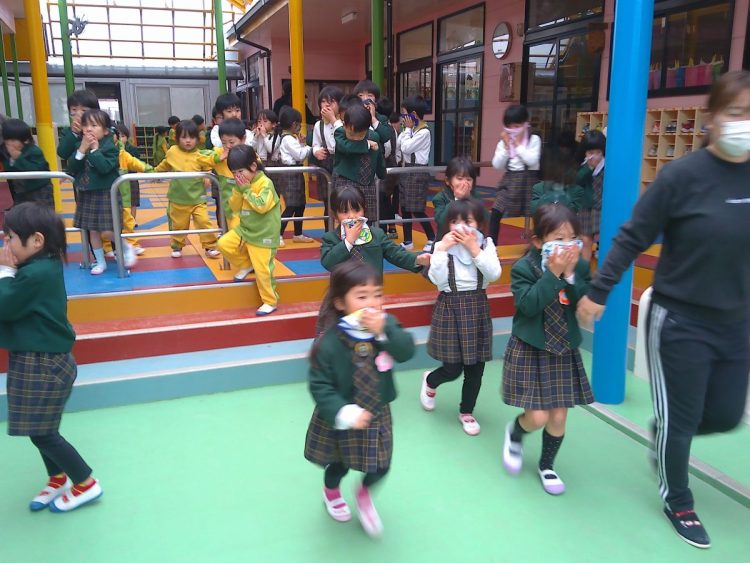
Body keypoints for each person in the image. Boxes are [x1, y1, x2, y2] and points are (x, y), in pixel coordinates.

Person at [577, 70, 750, 549]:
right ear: (713, 117)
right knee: (682, 418)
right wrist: (599, 291)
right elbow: (633, 236)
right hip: (680, 318)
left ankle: (667, 431)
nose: (745, 123)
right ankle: (679, 499)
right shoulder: (683, 177)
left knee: (725, 414)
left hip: (736, 319)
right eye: (737, 113)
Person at [0, 203, 102, 512]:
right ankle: (58, 478)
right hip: (36, 358)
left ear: (36, 241)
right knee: (38, 428)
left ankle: (86, 483)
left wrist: (5, 271)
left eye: (10, 237)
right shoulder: (40, 267)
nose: (6, 244)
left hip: (43, 363)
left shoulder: (35, 274)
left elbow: (5, 306)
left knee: (43, 432)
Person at [304, 260, 415, 537]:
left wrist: (384, 331)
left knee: (381, 464)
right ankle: (331, 491)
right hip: (343, 416)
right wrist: (343, 412)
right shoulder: (330, 342)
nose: (372, 303)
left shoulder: (386, 326)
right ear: (341, 303)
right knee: (339, 463)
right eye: (362, 297)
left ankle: (364, 493)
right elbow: (319, 385)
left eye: (377, 294)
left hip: (376, 411)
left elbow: (406, 351)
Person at [501, 204, 592, 495]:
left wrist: (570, 276)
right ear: (539, 241)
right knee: (538, 416)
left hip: (563, 349)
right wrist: (552, 274)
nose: (567, 245)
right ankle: (516, 432)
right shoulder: (523, 269)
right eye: (559, 238)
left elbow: (583, 303)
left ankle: (547, 465)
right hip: (532, 348)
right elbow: (528, 306)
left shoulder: (579, 267)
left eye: (572, 238)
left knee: (559, 416)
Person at [420, 199, 501, 435]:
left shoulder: (486, 245)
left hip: (477, 308)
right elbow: (436, 279)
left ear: (479, 224)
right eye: (455, 221)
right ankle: (430, 381)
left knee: (476, 368)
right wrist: (441, 250)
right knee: (453, 368)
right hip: (450, 308)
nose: (461, 227)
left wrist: (474, 249)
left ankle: (467, 411)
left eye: (468, 221)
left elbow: (494, 274)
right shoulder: (442, 247)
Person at [70, 110, 137, 275]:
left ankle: (126, 247)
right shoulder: (80, 145)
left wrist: (94, 150)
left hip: (107, 194)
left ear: (106, 130)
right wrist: (82, 150)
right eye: (86, 125)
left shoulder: (110, 148)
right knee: (92, 230)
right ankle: (100, 262)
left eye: (94, 125)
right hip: (87, 194)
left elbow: (105, 168)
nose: (89, 129)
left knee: (108, 230)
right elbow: (72, 168)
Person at [218, 144, 281, 316]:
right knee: (224, 244)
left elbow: (261, 206)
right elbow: (234, 207)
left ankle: (270, 301)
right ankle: (246, 265)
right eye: (234, 173)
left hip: (264, 236)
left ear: (253, 166)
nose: (238, 176)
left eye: (240, 171)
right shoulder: (241, 185)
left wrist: (246, 190)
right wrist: (240, 191)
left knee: (263, 271)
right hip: (246, 230)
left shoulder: (265, 183)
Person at [153, 119, 222, 259]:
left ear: (197, 139)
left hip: (198, 198)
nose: (188, 141)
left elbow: (207, 166)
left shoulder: (200, 154)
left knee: (204, 222)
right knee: (179, 225)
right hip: (178, 199)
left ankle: (210, 246)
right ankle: (177, 246)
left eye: (192, 137)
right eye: (184, 137)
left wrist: (207, 176)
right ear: (177, 138)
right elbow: (165, 165)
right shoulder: (173, 152)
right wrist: (152, 172)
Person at [490, 104, 542, 245]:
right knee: (496, 210)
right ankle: (491, 247)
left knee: (535, 215)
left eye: (517, 126)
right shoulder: (504, 143)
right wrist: (507, 147)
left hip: (529, 181)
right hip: (510, 181)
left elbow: (532, 160)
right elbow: (497, 165)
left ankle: (535, 247)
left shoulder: (534, 139)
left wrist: (518, 145)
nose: (513, 130)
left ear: (525, 124)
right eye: (509, 127)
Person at [332, 103, 386, 226]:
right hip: (346, 183)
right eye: (351, 134)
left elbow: (379, 157)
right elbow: (347, 147)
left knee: (367, 221)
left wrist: (382, 173)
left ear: (367, 128)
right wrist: (366, 144)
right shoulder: (340, 133)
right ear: (344, 125)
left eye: (360, 135)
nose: (356, 138)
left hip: (367, 184)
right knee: (347, 219)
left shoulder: (374, 136)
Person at [398, 95, 436, 252]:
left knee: (417, 208)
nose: (402, 117)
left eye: (404, 113)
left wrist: (407, 129)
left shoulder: (423, 132)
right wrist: (406, 130)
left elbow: (406, 148)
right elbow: (400, 143)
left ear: (413, 114)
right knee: (405, 207)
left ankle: (432, 237)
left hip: (417, 172)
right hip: (407, 170)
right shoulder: (411, 130)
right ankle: (408, 240)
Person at [272, 107, 313, 245]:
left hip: (294, 171)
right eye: (299, 123)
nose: (300, 126)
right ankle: (278, 234)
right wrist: (310, 147)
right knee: (291, 205)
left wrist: (301, 144)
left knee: (300, 204)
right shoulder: (288, 139)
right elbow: (300, 155)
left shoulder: (289, 138)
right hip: (290, 173)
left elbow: (297, 154)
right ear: (293, 124)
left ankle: (298, 233)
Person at [0, 118, 54, 208]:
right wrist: (11, 160)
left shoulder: (34, 151)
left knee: (42, 213)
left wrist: (18, 158)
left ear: (25, 140)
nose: (9, 144)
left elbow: (35, 171)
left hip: (40, 192)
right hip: (20, 192)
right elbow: (8, 169)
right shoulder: (6, 152)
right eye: (7, 141)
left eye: (13, 140)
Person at [312, 86, 344, 232]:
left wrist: (333, 120)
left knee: (344, 201)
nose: (326, 105)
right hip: (326, 164)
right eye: (323, 102)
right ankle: (329, 234)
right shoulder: (318, 125)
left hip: (342, 162)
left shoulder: (344, 122)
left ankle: (345, 234)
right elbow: (315, 144)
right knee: (328, 203)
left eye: (331, 102)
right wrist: (316, 151)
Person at [431, 156, 486, 241]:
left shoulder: (475, 196)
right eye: (459, 179)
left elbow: (485, 219)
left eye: (468, 179)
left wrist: (470, 199)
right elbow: (441, 222)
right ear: (448, 181)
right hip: (447, 243)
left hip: (471, 242)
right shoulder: (440, 198)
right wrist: (457, 199)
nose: (464, 183)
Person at [575, 130, 606, 261]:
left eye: (598, 152)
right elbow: (577, 180)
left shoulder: (607, 165)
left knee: (604, 238)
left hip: (602, 207)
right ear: (585, 153)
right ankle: (585, 269)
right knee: (586, 240)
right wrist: (589, 167)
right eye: (591, 153)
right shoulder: (582, 166)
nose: (595, 156)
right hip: (586, 207)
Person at [529, 148, 584, 216]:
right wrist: (549, 193)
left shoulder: (577, 190)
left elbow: (573, 212)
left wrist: (561, 194)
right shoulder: (538, 187)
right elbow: (533, 211)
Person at [114, 124, 142, 222]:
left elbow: (137, 162)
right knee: (119, 200)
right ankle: (121, 221)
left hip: (131, 178)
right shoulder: (113, 149)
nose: (121, 139)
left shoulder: (132, 149)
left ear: (127, 137)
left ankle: (132, 220)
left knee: (133, 201)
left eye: (123, 136)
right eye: (118, 136)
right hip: (118, 179)